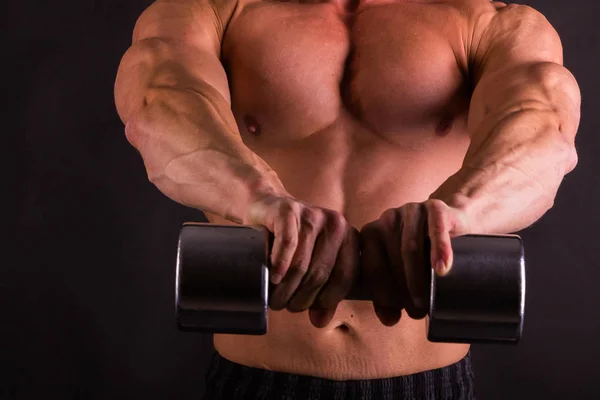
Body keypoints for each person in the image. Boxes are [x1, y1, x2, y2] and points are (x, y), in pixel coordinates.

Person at [114, 0, 580, 398]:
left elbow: (542, 127)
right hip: (254, 381)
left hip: (428, 385)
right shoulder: (215, 11)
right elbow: (161, 102)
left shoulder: (486, 23)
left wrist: (454, 215)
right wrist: (259, 198)